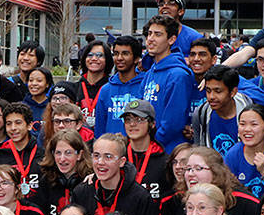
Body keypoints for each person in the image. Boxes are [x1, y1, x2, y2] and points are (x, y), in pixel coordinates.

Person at [70, 134, 158, 215]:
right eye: (96, 156)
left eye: (108, 157)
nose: (100, 162)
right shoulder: (81, 192)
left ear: (122, 161)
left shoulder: (140, 198)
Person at [158, 146, 260, 215]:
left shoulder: (245, 202)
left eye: (198, 168)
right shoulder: (175, 200)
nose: (190, 174)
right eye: (188, 169)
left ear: (215, 172)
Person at [140, 14, 196, 151]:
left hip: (168, 151)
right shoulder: (149, 74)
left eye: (158, 34)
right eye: (149, 34)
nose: (151, 39)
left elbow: (173, 123)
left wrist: (152, 143)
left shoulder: (178, 75)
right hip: (148, 147)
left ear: (171, 39)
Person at [224, 104, 264, 199]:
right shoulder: (233, 154)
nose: (247, 129)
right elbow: (227, 193)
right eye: (242, 124)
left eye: (254, 124)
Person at [34, 130, 90, 215]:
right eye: (58, 153)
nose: (62, 159)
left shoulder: (89, 182)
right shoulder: (45, 180)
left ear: (79, 155)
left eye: (68, 153)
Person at [0, 103, 42, 197]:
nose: (13, 128)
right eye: (9, 124)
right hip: (6, 210)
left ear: (29, 125)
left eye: (18, 123)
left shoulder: (42, 153)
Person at [93, 35, 145, 137]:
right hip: (111, 150)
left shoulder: (144, 87)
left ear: (136, 58)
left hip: (137, 150)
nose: (119, 58)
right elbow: (100, 129)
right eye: (116, 54)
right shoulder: (105, 90)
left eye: (125, 54)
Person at [191, 65, 248, 152]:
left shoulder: (249, 110)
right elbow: (199, 151)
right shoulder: (201, 114)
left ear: (233, 92)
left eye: (218, 91)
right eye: (208, 91)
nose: (211, 97)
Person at [120, 100, 169, 202]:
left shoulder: (164, 161)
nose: (132, 124)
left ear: (152, 124)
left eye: (139, 119)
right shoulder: (118, 156)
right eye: (128, 119)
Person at [74, 39, 111, 129]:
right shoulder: (74, 88)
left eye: (100, 55)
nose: (94, 59)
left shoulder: (111, 89)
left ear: (107, 59)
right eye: (90, 55)